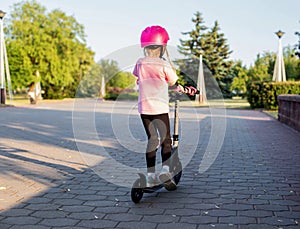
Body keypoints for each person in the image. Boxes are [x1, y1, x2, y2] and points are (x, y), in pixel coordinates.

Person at [133, 25, 197, 190]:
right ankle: (166, 171)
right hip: (160, 108)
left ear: (145, 47)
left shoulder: (140, 63)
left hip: (144, 109)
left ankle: (150, 175)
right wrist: (186, 90)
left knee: (152, 140)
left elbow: (138, 79)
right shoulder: (164, 64)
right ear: (162, 47)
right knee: (166, 141)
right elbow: (174, 83)